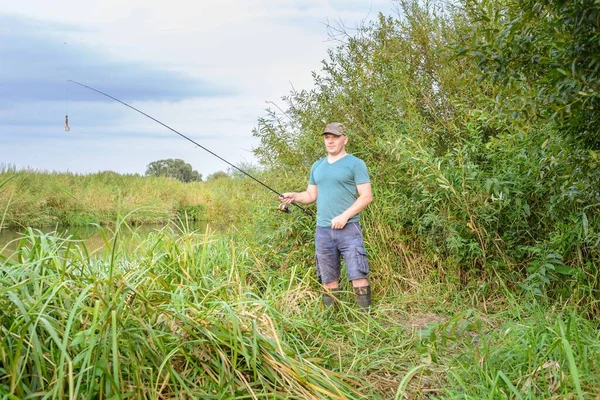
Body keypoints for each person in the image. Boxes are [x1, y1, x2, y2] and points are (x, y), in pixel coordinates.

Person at [280, 122, 373, 311]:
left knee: (358, 275)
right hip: (323, 231)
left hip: (349, 229)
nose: (330, 141)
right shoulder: (317, 166)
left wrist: (345, 216)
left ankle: (366, 321)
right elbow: (311, 195)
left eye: (335, 137)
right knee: (327, 278)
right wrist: (295, 196)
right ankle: (332, 321)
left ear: (345, 139)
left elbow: (366, 196)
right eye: (327, 137)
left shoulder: (355, 164)